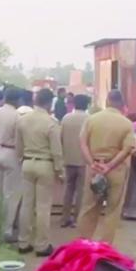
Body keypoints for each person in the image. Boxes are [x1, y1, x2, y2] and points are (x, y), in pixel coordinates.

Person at [77, 88, 135, 244]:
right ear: (121, 104)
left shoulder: (92, 120)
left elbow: (82, 142)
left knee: (89, 207)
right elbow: (127, 149)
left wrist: (92, 163)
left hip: (94, 168)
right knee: (112, 210)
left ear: (107, 101)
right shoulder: (126, 123)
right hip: (116, 170)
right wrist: (109, 166)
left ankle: (83, 243)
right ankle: (105, 246)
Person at [15, 87, 62, 256]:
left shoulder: (22, 120)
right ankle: (41, 245)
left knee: (26, 205)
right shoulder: (51, 122)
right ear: (49, 103)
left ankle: (23, 242)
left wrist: (21, 159)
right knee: (42, 207)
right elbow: (56, 151)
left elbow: (18, 147)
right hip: (45, 165)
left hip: (27, 163)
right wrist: (60, 170)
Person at [0, 86, 23, 242]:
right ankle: (7, 230)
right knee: (11, 195)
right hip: (11, 152)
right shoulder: (17, 116)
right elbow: (19, 139)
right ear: (17, 100)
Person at [60, 93, 89, 227]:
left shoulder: (66, 118)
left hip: (68, 158)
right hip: (83, 160)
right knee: (81, 191)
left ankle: (65, 217)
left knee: (68, 189)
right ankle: (77, 219)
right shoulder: (89, 119)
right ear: (87, 104)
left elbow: (60, 137)